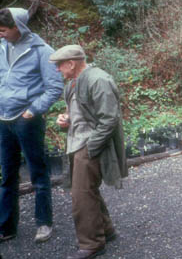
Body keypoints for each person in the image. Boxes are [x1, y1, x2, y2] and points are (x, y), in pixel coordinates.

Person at [51, 45, 127, 259]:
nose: (58, 70)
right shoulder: (73, 83)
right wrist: (65, 120)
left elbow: (110, 119)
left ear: (71, 64)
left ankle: (92, 243)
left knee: (81, 195)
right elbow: (77, 113)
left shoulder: (98, 80)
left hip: (88, 144)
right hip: (77, 142)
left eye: (59, 65)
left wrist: (91, 147)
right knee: (86, 191)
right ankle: (106, 230)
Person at [0, 8, 63, 243]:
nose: (0, 34)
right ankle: (6, 227)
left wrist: (33, 110)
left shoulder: (42, 51)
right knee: (7, 176)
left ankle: (44, 223)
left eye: (4, 30)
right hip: (3, 120)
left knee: (38, 173)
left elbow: (55, 87)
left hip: (27, 121)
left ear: (18, 28)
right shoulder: (1, 47)